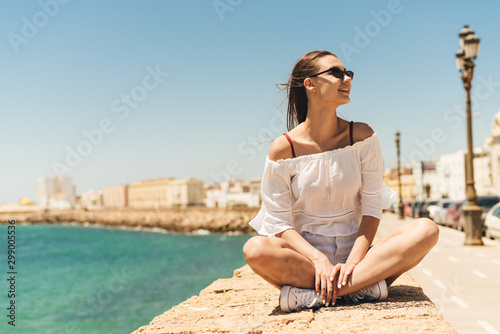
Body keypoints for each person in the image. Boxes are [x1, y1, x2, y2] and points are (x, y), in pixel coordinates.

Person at [242, 50, 439, 312]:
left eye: (348, 73)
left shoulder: (362, 136)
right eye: (336, 73)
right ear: (310, 84)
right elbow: (279, 223)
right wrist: (318, 259)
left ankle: (321, 294)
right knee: (255, 249)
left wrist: (354, 262)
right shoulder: (283, 148)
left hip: (359, 259)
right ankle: (361, 289)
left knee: (427, 229)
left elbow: (371, 209)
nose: (347, 79)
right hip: (308, 262)